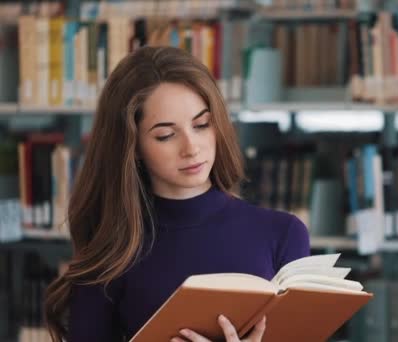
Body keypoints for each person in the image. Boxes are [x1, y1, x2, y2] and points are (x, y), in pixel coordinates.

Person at [44, 46, 310, 342]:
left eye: (201, 125)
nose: (191, 147)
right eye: (166, 135)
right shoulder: (111, 250)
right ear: (132, 149)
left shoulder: (284, 234)